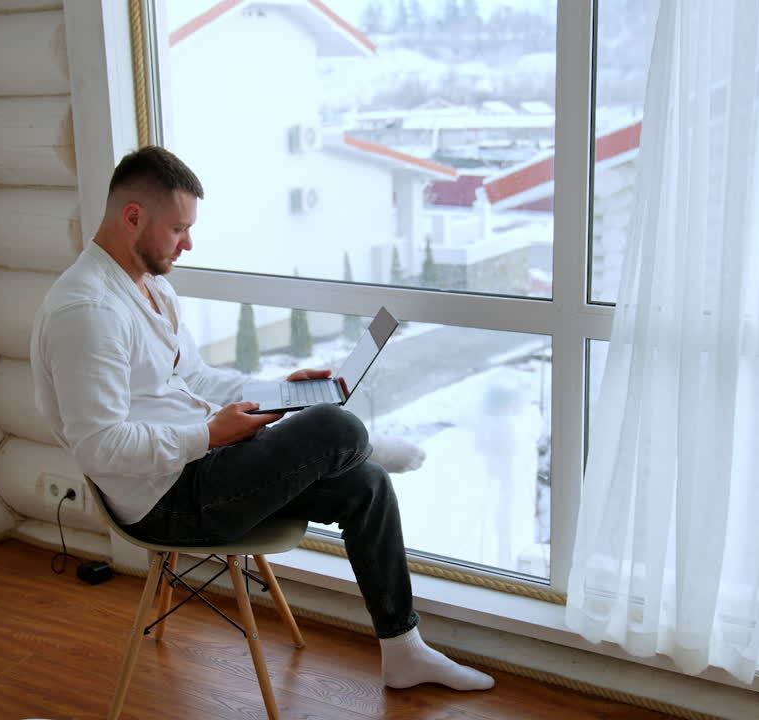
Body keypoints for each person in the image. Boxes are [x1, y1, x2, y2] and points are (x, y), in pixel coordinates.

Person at [31, 145, 493, 692]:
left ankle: (403, 650)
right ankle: (356, 443)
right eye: (178, 229)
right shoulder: (88, 312)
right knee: (337, 428)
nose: (188, 244)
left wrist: (277, 391)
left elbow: (195, 378)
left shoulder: (151, 288)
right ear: (133, 217)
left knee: (365, 485)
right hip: (164, 500)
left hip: (203, 463)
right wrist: (209, 434)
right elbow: (99, 447)